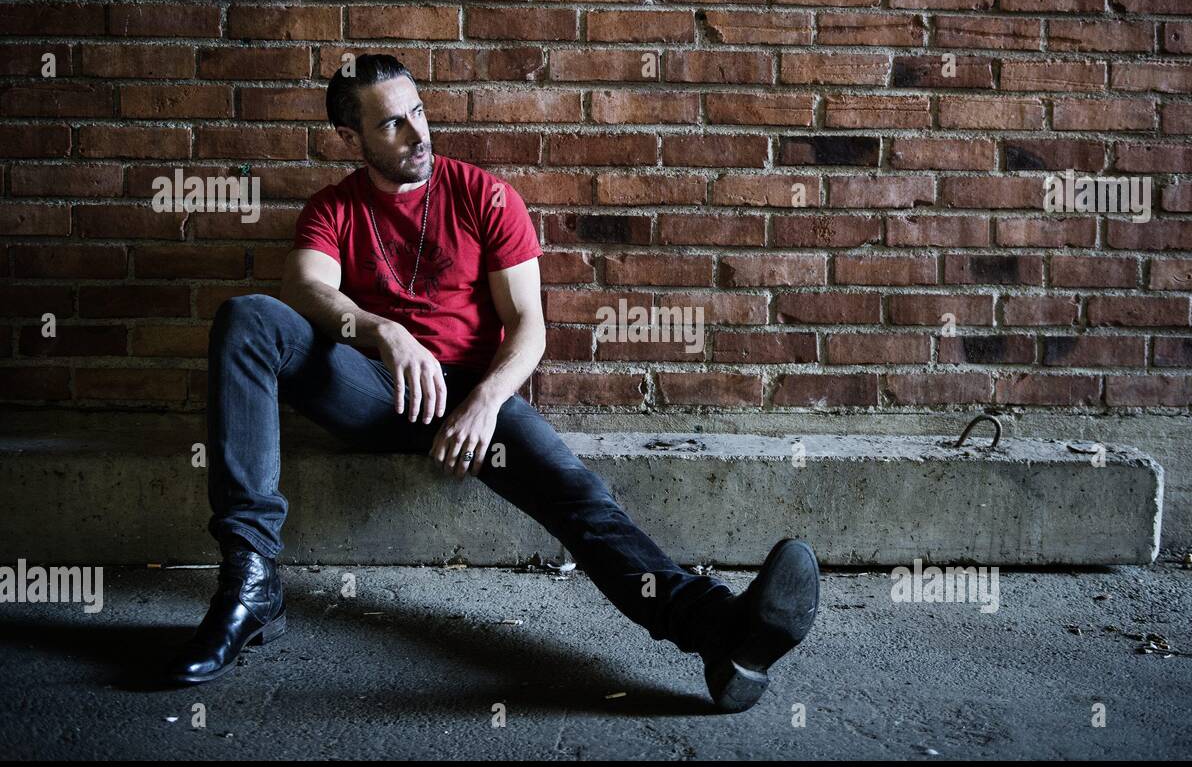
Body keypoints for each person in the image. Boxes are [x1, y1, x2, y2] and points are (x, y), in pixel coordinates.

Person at [162, 54, 820, 712]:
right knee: (248, 318)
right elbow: (305, 287)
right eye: (392, 124)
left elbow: (529, 327)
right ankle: (250, 580)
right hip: (375, 390)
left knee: (578, 493)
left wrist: (483, 401)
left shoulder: (483, 194)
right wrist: (384, 332)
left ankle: (722, 633)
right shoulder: (332, 210)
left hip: (475, 403)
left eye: (418, 112)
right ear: (348, 138)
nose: (418, 134)